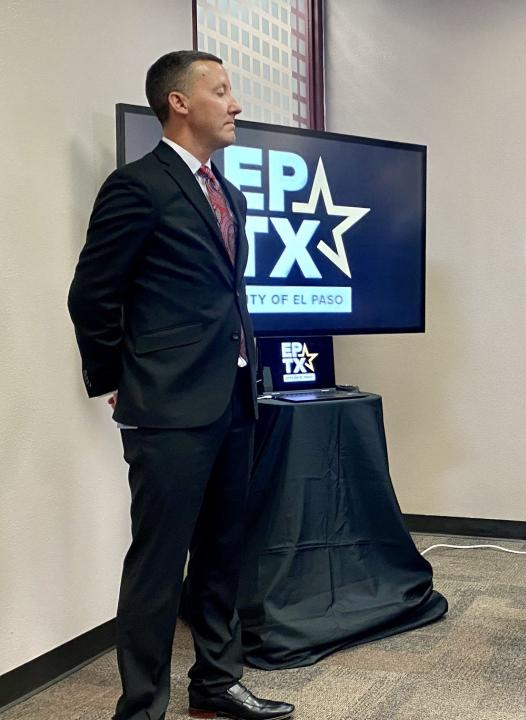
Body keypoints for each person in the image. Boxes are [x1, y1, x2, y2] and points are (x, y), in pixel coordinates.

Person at [67, 51, 294, 720]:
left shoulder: (228, 192)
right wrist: (116, 379)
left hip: (235, 398)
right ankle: (141, 706)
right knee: (159, 566)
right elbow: (93, 293)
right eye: (221, 90)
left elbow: (225, 296)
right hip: (168, 406)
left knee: (224, 553)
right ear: (178, 102)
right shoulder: (137, 185)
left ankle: (217, 683)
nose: (236, 103)